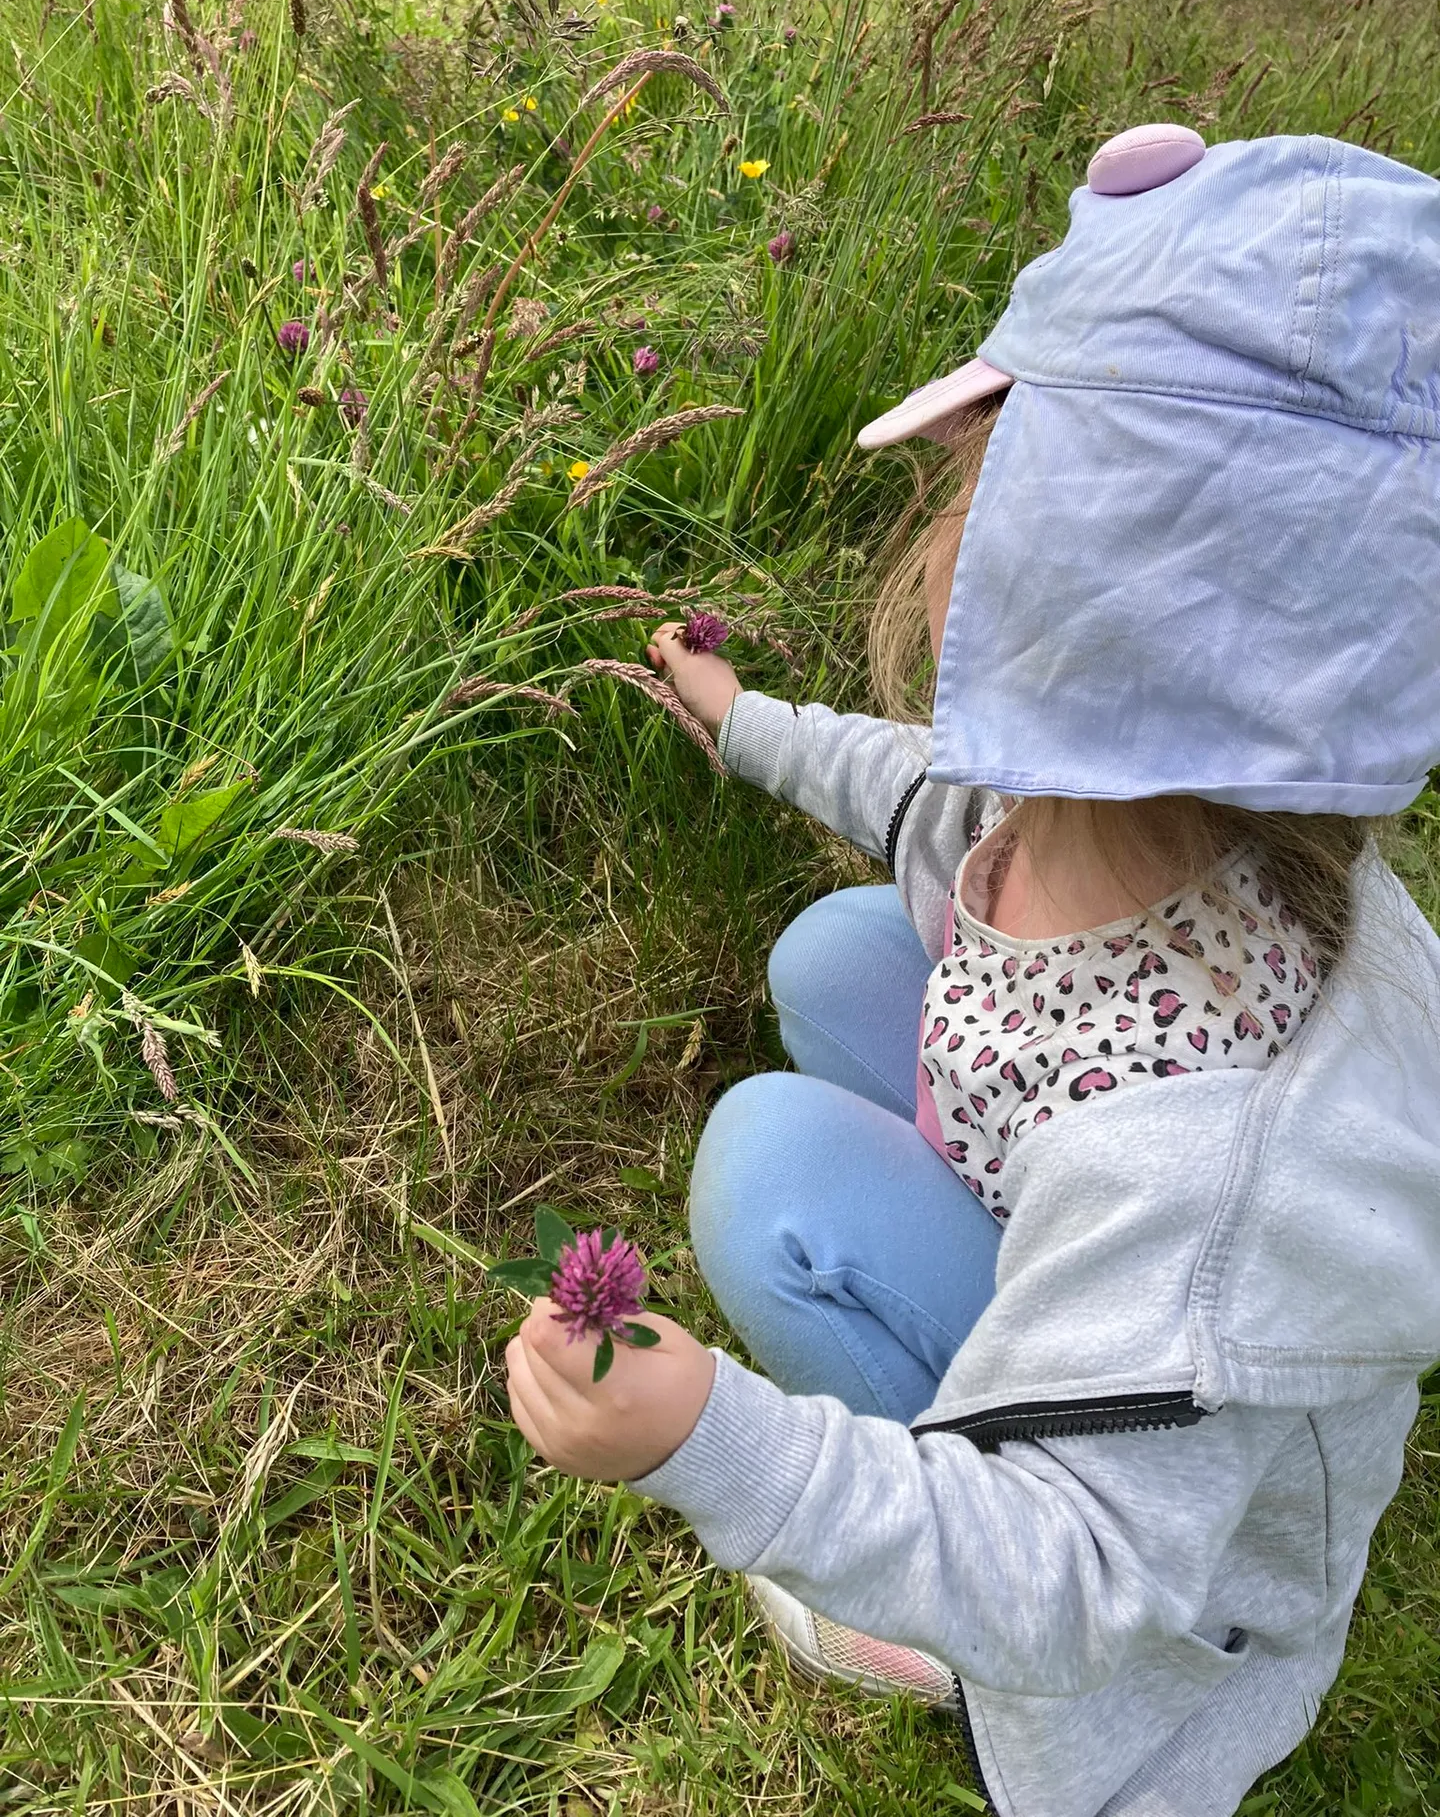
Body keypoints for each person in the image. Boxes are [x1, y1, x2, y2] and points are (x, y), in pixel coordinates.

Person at [504, 125, 1440, 1816]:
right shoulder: (1124, 817)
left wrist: (713, 1440)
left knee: (764, 1168)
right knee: (841, 948)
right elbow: (923, 798)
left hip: (1136, 1548)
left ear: (1071, 596)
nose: (937, 536)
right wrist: (749, 725)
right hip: (1097, 1216)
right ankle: (989, 1291)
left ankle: (936, 1629)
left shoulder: (1225, 1171)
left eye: (977, 493)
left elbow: (1084, 1568)